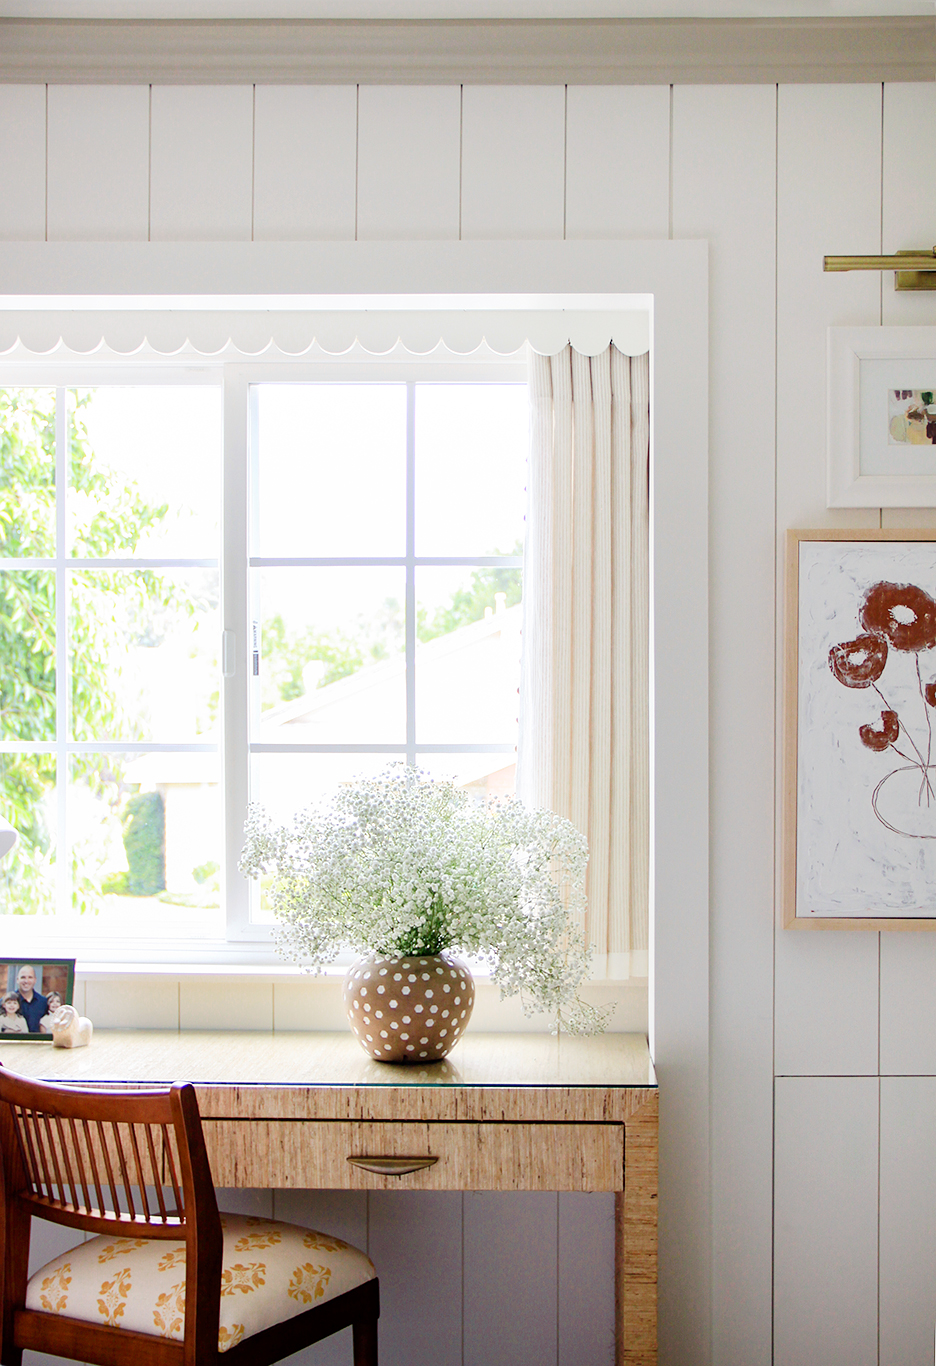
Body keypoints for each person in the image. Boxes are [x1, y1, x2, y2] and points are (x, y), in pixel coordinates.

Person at [15, 965, 48, 1034]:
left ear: (35, 980)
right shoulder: (7, 1002)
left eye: (30, 977)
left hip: (38, 1043)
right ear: (17, 980)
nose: (26, 981)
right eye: (23, 977)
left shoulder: (44, 1002)